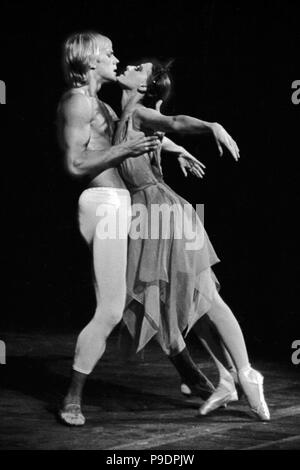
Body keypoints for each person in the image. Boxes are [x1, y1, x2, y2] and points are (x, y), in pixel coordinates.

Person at [57, 31, 218, 426]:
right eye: (108, 54)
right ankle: (71, 400)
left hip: (124, 208)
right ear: (90, 61)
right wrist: (124, 151)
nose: (116, 58)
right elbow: (76, 165)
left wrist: (176, 149)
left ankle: (189, 373)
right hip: (104, 205)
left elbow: (140, 135)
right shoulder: (77, 102)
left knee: (147, 292)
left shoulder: (105, 108)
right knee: (112, 309)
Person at [114, 60, 270, 421]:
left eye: (139, 67)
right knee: (188, 307)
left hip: (165, 214)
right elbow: (161, 135)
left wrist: (210, 126)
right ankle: (227, 379)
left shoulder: (139, 112)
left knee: (207, 299)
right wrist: (176, 151)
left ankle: (248, 373)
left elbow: (173, 123)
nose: (130, 64)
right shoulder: (124, 117)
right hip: (147, 218)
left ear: (145, 86)